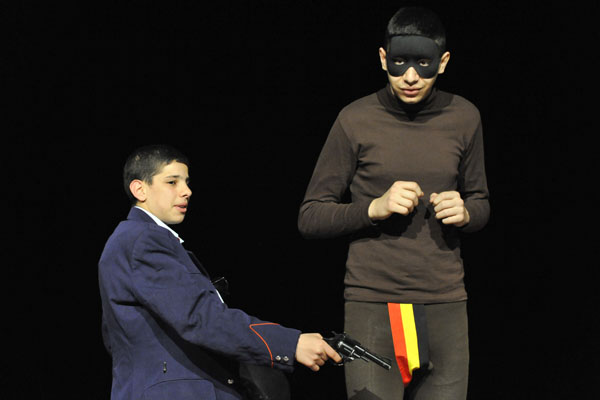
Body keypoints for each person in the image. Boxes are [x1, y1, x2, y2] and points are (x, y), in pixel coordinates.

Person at [297, 6, 490, 400]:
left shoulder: (464, 117)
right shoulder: (355, 119)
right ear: (384, 58)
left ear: (443, 62)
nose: (411, 76)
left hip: (443, 303)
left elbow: (481, 202)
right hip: (374, 304)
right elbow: (311, 216)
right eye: (400, 63)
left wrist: (467, 212)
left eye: (424, 64)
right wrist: (373, 208)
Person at [98, 144, 341, 400]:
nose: (187, 191)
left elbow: (115, 336)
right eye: (172, 182)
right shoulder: (143, 240)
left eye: (187, 182)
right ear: (140, 189)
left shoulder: (137, 240)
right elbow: (200, 318)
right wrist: (290, 344)